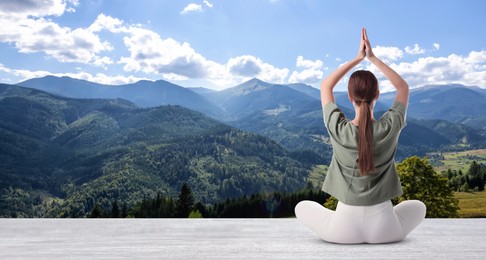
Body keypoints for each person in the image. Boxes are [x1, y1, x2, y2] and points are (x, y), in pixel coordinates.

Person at [294, 28, 426, 244]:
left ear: (349, 96)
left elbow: (326, 85)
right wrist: (372, 58)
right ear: (377, 96)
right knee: (419, 207)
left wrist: (357, 58)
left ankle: (336, 220)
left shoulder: (339, 128)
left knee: (302, 207)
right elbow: (403, 86)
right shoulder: (390, 126)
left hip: (342, 230)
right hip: (386, 230)